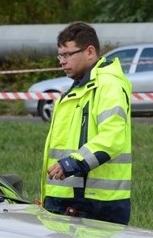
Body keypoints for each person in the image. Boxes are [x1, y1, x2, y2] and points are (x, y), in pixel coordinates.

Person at [40, 21, 132, 225]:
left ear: (90, 52)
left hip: (93, 203)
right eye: (60, 55)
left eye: (67, 55)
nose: (62, 62)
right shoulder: (81, 87)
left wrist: (72, 163)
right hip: (71, 198)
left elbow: (113, 137)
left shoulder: (108, 85)